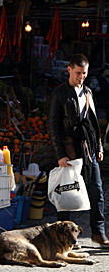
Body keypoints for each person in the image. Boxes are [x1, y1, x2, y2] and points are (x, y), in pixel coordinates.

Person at [47, 53, 109, 247]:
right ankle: (61, 236)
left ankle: (98, 233)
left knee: (96, 191)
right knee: (66, 192)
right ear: (69, 70)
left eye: (84, 73)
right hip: (69, 149)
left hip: (88, 148)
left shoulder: (88, 92)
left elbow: (93, 122)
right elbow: (52, 125)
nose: (81, 77)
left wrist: (98, 146)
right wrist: (60, 155)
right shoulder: (59, 93)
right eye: (78, 73)